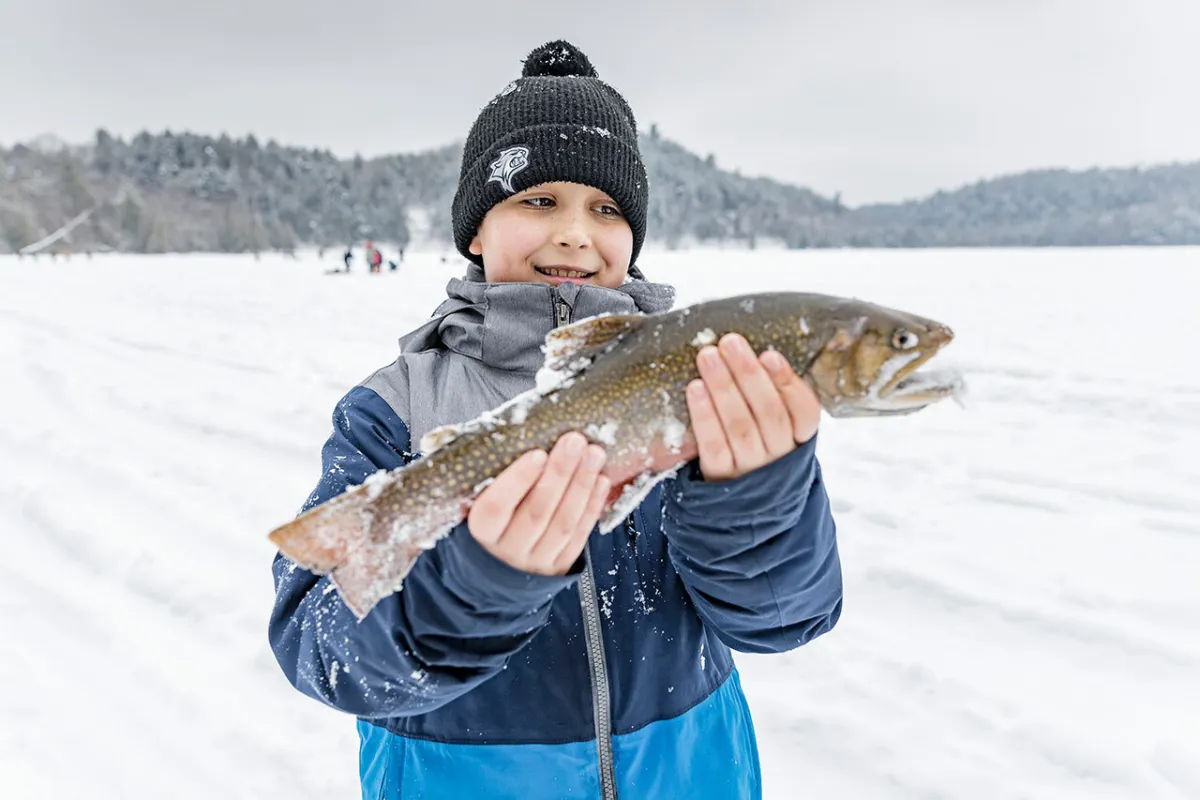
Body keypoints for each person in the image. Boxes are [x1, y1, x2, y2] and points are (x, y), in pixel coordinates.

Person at [268, 39, 842, 800]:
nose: (575, 232)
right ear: (475, 229)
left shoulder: (702, 388)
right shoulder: (396, 409)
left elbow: (782, 619)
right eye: (538, 200)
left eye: (605, 209)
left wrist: (755, 494)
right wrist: (473, 584)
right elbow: (320, 648)